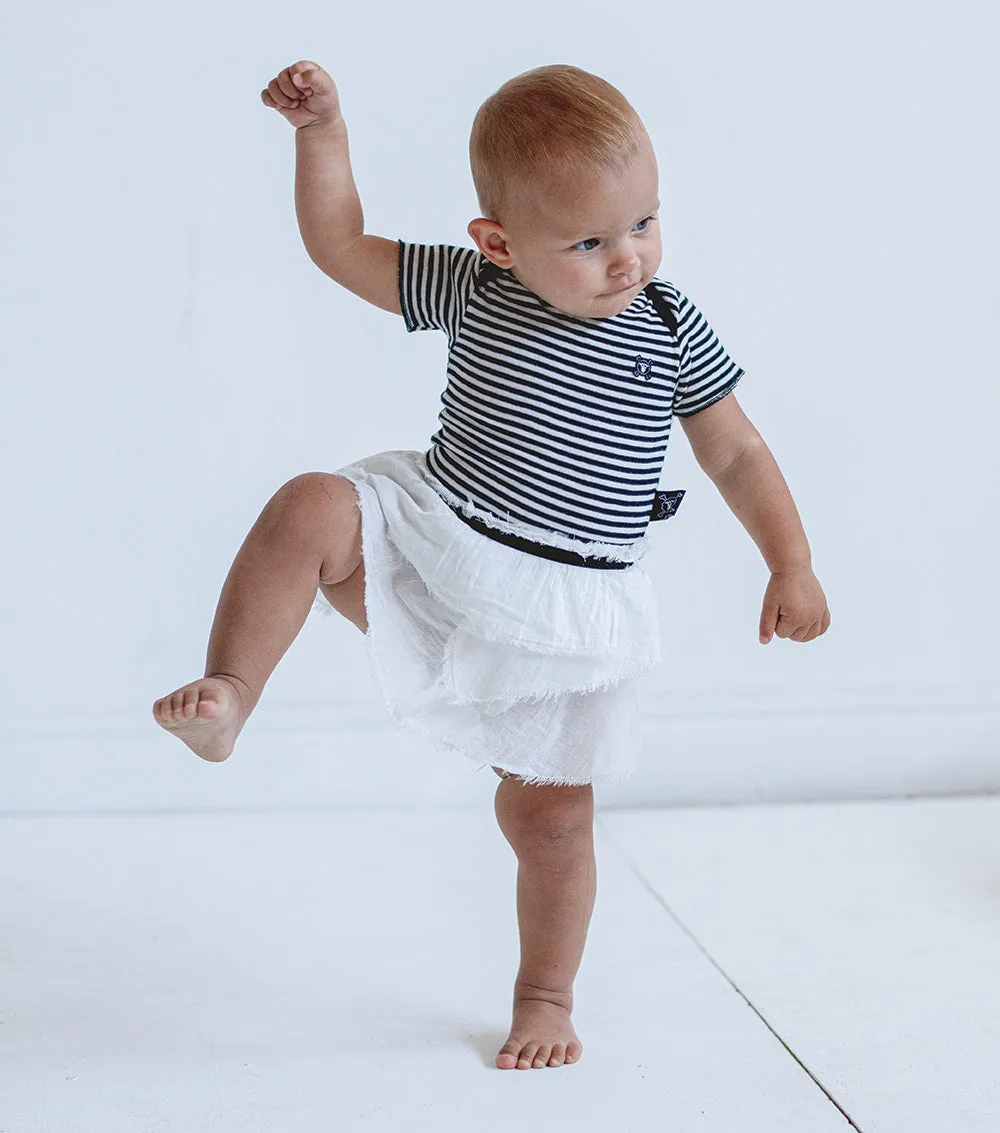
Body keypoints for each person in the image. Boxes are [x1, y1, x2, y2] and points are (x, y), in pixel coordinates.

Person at [153, 60, 830, 1072]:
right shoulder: (473, 287)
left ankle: (544, 991)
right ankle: (232, 692)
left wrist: (791, 560)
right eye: (591, 241)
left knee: (549, 814)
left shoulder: (670, 326)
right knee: (309, 504)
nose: (628, 259)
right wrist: (322, 133)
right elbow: (339, 245)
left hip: (562, 605)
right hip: (437, 539)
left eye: (645, 221)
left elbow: (733, 449)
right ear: (499, 242)